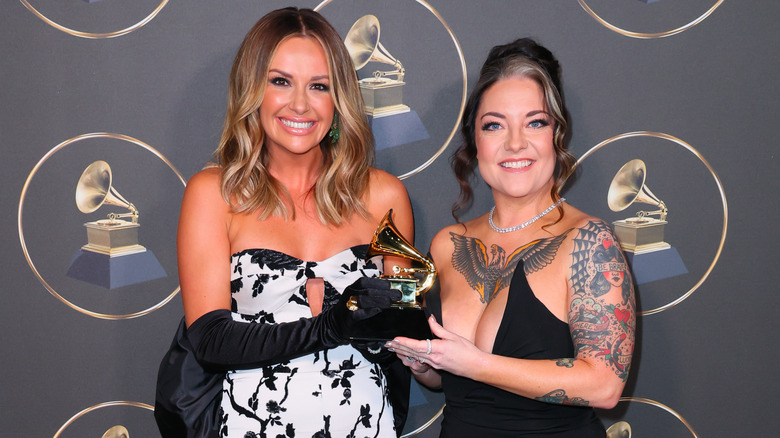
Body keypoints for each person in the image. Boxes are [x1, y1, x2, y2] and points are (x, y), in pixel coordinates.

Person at [176, 7, 413, 437]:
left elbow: (401, 336)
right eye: (280, 81)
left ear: (338, 98)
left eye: (319, 86)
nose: (300, 104)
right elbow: (211, 341)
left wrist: (390, 326)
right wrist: (328, 327)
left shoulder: (384, 196)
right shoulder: (214, 194)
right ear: (253, 89)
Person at [386, 38, 636, 437]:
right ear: (475, 141)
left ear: (556, 134)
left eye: (535, 122)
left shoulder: (589, 241)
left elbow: (605, 386)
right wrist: (425, 365)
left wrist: (475, 364)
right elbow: (445, 381)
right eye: (495, 125)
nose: (515, 143)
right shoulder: (447, 243)